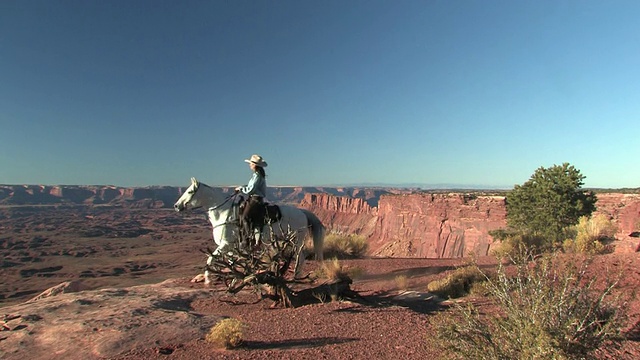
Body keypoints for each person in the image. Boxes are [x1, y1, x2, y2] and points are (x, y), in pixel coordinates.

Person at [235, 154, 268, 240]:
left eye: (251, 163)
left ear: (255, 165)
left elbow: (251, 189)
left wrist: (241, 189)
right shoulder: (257, 175)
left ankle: (249, 238)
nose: (250, 165)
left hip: (255, 199)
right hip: (254, 198)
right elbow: (250, 186)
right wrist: (242, 187)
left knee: (245, 217)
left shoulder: (257, 176)